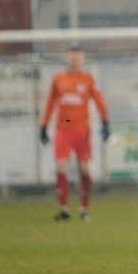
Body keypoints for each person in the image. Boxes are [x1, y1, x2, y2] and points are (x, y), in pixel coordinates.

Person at [40, 46, 110, 222]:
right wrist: (44, 125)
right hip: (63, 130)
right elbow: (50, 102)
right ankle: (64, 209)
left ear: (82, 60)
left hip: (82, 130)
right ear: (67, 59)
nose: (74, 61)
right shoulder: (59, 79)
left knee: (84, 170)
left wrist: (105, 122)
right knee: (61, 168)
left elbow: (99, 101)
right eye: (72, 58)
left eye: (78, 58)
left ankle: (84, 208)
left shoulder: (88, 80)